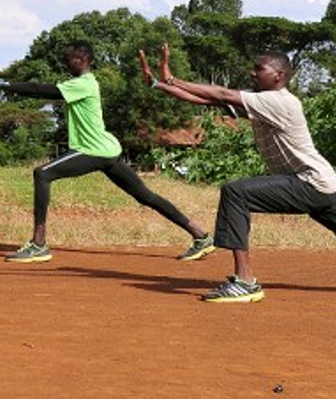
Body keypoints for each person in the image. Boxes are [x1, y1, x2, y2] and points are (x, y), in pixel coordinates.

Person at [139, 44, 336, 303]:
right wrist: (159, 84)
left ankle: (245, 281)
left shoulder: (278, 101)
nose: (252, 73)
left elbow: (221, 93)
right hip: (322, 184)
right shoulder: (264, 102)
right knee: (238, 193)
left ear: (278, 76)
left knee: (236, 193)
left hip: (309, 182)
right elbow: (210, 99)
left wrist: (173, 78)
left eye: (259, 68)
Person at [0, 40, 215, 263]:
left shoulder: (83, 83)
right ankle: (200, 235)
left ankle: (39, 244)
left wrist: (2, 84)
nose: (65, 63)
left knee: (42, 173)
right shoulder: (83, 83)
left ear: (82, 60)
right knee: (145, 196)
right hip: (107, 150)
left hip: (93, 151)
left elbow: (40, 90)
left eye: (68, 59)